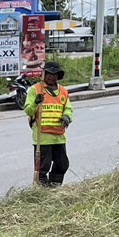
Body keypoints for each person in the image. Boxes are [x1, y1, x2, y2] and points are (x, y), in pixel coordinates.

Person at [24, 58, 73, 187]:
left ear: (58, 76)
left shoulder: (63, 91)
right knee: (42, 168)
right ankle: (42, 190)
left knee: (62, 164)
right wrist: (35, 102)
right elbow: (28, 110)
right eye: (49, 74)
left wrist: (67, 117)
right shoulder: (36, 90)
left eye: (54, 74)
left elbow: (68, 108)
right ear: (44, 74)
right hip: (43, 137)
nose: (52, 77)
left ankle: (54, 187)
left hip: (59, 136)